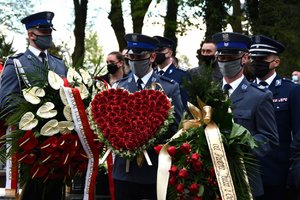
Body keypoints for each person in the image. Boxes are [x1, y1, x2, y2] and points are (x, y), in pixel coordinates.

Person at [0, 11, 67, 200]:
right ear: (31, 34)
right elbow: (5, 103)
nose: (48, 35)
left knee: (56, 192)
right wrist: (35, 118)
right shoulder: (16, 63)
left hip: (60, 143)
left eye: (49, 31)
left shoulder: (59, 64)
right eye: (43, 31)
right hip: (30, 146)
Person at [113, 33, 184, 200]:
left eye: (140, 56)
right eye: (131, 56)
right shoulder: (118, 87)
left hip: (155, 169)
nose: (135, 60)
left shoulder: (168, 88)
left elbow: (177, 128)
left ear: (152, 57)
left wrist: (149, 136)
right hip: (125, 170)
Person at [212, 32, 278, 199]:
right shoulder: (208, 93)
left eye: (231, 57)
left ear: (244, 58)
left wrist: (239, 147)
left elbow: (269, 138)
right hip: (211, 181)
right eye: (222, 57)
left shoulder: (259, 96)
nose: (225, 62)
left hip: (244, 181)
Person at [249, 34, 300, 200]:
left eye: (263, 58)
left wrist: (295, 168)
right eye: (254, 58)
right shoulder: (246, 91)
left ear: (276, 62)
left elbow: (298, 132)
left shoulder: (291, 90)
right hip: (250, 172)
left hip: (279, 173)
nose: (257, 62)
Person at [152, 35, 190, 108]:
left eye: (160, 50)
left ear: (169, 53)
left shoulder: (182, 75)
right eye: (154, 51)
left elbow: (185, 104)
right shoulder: (152, 74)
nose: (156, 54)